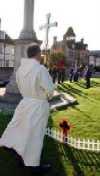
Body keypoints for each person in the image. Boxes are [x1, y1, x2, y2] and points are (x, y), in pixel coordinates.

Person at [0, 44, 55, 173]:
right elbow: (50, 90)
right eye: (40, 53)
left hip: (25, 103)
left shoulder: (20, 69)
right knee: (35, 135)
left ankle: (21, 155)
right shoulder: (40, 69)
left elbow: (19, 86)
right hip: (38, 105)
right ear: (37, 54)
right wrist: (46, 96)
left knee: (23, 130)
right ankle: (33, 164)